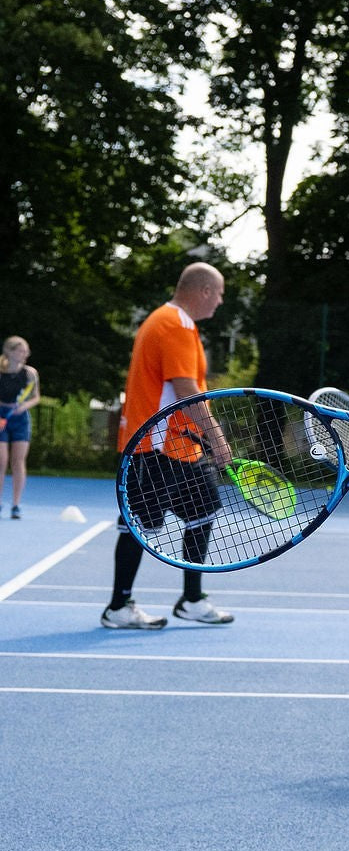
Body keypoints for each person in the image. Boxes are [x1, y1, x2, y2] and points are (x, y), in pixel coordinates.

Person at [103, 263, 235, 629]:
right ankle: (118, 606)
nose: (221, 301)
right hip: (154, 447)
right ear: (204, 291)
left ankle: (191, 600)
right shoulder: (174, 323)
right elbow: (185, 389)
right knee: (139, 525)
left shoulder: (170, 321)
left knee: (205, 510)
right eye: (220, 293)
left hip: (178, 448)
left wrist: (199, 437)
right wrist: (216, 436)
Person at [0, 336, 40, 519]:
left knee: (18, 462)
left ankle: (15, 505)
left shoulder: (30, 373)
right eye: (21, 351)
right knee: (2, 461)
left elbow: (35, 396)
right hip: (1, 416)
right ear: (10, 351)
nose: (25, 354)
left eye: (26, 351)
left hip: (21, 418)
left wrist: (23, 406)